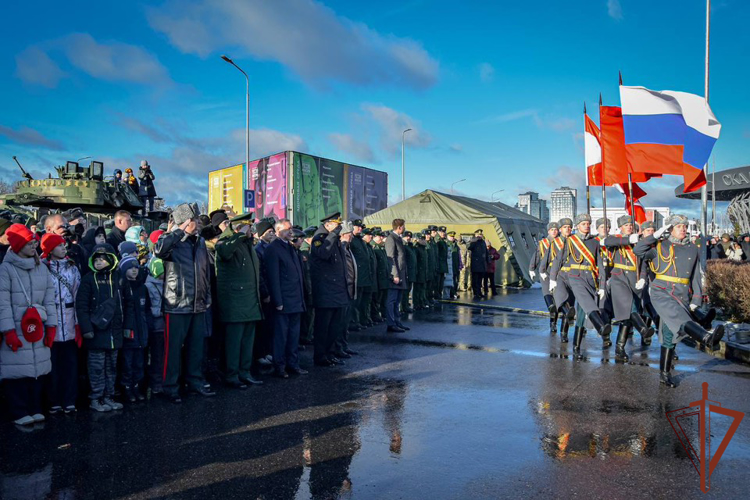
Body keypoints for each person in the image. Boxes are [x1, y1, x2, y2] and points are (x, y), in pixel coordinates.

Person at [634, 214, 725, 388]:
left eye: (684, 226)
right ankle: (705, 337)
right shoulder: (659, 246)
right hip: (662, 292)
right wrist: (654, 235)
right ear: (670, 229)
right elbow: (638, 250)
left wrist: (696, 298)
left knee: (669, 334)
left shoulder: (692, 248)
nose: (683, 229)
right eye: (678, 226)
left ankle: (664, 374)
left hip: (682, 294)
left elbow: (695, 275)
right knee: (679, 318)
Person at [154, 203, 214, 403]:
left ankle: (194, 382)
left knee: (196, 348)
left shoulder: (200, 242)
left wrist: (207, 296)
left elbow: (205, 272)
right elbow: (159, 250)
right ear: (185, 222)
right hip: (177, 304)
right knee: (172, 350)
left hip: (198, 304)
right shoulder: (172, 242)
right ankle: (170, 387)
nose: (197, 223)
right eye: (194, 220)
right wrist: (178, 230)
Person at [0, 225, 57, 426]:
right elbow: (3, 303)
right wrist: (8, 331)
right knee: (16, 369)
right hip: (17, 325)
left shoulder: (41, 267)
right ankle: (18, 410)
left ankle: (34, 407)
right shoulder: (6, 269)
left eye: (34, 242)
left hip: (37, 325)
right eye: (30, 243)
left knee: (38, 367)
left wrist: (52, 326)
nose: (35, 246)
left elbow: (50, 299)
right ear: (18, 245)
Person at [550, 214, 610, 360]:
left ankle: (576, 347)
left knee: (582, 315)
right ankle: (600, 326)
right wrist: (553, 278)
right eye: (583, 223)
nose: (587, 226)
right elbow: (559, 260)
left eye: (588, 223)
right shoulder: (570, 241)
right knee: (585, 301)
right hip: (575, 277)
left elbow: (600, 265)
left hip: (590, 278)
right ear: (577, 226)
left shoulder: (594, 242)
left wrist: (602, 285)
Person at [215, 213, 264, 388]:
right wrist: (238, 235)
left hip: (250, 301)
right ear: (239, 228)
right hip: (234, 302)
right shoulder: (226, 241)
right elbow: (224, 253)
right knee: (234, 343)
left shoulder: (247, 244)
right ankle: (231, 375)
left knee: (247, 342)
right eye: (248, 227)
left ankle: (244, 372)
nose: (251, 230)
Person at [76, 243, 125, 412]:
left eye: (103, 259)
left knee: (111, 367)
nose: (99, 262)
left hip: (115, 332)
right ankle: (95, 398)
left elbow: (126, 304)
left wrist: (126, 327)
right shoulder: (88, 279)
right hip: (96, 333)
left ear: (111, 259)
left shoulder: (118, 277)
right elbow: (81, 306)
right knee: (96, 368)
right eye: (96, 259)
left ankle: (109, 396)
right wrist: (86, 328)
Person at [601, 215, 655, 361]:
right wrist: (629, 239)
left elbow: (643, 262)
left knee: (626, 318)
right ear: (621, 227)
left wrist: (643, 277)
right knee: (630, 308)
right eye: (626, 225)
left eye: (631, 225)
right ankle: (643, 329)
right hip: (619, 278)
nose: (629, 227)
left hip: (634, 279)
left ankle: (619, 348)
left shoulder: (639, 242)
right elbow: (607, 241)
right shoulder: (616, 239)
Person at [41, 233, 82, 414]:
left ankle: (69, 399)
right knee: (53, 365)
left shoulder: (72, 268)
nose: (63, 248)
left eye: (64, 245)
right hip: (51, 322)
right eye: (58, 245)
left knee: (70, 365)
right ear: (49, 249)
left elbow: (77, 295)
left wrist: (79, 324)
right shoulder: (42, 268)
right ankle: (54, 400)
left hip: (69, 320)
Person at [265, 219, 308, 377]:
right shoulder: (273, 249)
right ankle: (280, 367)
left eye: (291, 229)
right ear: (277, 231)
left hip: (296, 300)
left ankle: (293, 364)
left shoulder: (291, 248)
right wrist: (278, 301)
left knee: (293, 336)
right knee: (281, 337)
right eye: (287, 229)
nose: (291, 232)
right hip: (283, 301)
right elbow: (273, 277)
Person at [310, 213, 351, 367]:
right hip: (326, 293)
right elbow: (323, 253)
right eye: (336, 224)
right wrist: (333, 235)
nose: (339, 227)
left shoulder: (334, 239)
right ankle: (320, 356)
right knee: (323, 328)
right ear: (328, 225)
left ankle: (330, 353)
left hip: (337, 291)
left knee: (335, 327)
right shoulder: (319, 239)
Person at [120, 257, 149, 403]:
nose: (134, 270)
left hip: (141, 330)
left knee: (139, 363)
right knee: (127, 362)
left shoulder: (142, 287)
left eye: (136, 268)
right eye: (130, 268)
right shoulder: (122, 287)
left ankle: (137, 387)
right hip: (128, 330)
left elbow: (147, 310)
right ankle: (127, 388)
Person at [542, 219, 573, 342]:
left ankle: (564, 331)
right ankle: (559, 329)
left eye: (569, 227)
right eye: (565, 227)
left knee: (569, 306)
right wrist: (542, 271)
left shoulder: (576, 242)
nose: (567, 229)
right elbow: (546, 259)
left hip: (573, 277)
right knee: (560, 303)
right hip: (558, 275)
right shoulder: (554, 243)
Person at [530, 222, 560, 335]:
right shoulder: (543, 243)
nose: (554, 231)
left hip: (558, 272)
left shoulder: (561, 242)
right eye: (552, 229)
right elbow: (537, 256)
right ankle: (552, 322)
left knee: (557, 299)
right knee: (547, 294)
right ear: (548, 231)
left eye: (556, 229)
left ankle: (554, 321)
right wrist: (531, 268)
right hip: (546, 271)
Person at [336, 222, 359, 357]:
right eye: (350, 234)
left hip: (350, 290)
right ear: (344, 234)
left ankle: (344, 345)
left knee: (345, 322)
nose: (352, 236)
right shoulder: (342, 248)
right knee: (341, 323)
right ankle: (339, 347)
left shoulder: (347, 248)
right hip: (345, 290)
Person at [145, 258, 166, 395]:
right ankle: (156, 383)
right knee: (157, 356)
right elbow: (149, 308)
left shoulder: (166, 283)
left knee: (164, 355)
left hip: (165, 325)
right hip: (156, 325)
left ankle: (164, 381)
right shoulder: (149, 286)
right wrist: (161, 311)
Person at [385, 219, 409, 333]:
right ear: (399, 227)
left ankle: (397, 322)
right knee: (392, 300)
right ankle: (391, 323)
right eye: (403, 226)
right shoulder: (391, 238)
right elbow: (391, 258)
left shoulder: (398, 238)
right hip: (395, 275)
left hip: (401, 274)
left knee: (397, 300)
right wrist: (394, 274)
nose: (404, 228)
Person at [349, 220, 372, 330]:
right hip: (356, 277)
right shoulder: (351, 240)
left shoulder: (360, 241)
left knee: (362, 301)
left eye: (361, 227)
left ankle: (361, 320)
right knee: (355, 302)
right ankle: (353, 322)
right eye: (357, 227)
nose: (360, 229)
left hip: (364, 276)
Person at [299, 226, 317, 344]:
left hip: (311, 286)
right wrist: (310, 290)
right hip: (308, 288)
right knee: (308, 315)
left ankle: (309, 334)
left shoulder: (309, 249)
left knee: (311, 315)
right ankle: (306, 336)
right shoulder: (304, 251)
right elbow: (307, 273)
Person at [371, 229, 389, 322]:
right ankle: (375, 315)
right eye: (379, 236)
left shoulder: (381, 247)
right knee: (376, 299)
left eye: (382, 236)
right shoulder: (373, 247)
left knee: (382, 297)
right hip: (377, 277)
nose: (381, 238)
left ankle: (382, 313)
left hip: (383, 277)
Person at [468, 229, 488, 299]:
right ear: (475, 235)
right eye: (478, 235)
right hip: (476, 264)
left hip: (482, 264)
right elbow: (469, 247)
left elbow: (486, 252)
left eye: (480, 235)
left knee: (480, 280)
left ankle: (479, 292)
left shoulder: (483, 242)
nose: (480, 236)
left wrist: (487, 261)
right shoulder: (474, 242)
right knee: (475, 279)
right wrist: (473, 241)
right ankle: (475, 292)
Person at [401, 231, 417, 312]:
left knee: (408, 289)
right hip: (406, 271)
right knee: (405, 290)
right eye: (406, 236)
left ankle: (406, 304)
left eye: (409, 237)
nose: (408, 238)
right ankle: (404, 306)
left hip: (411, 271)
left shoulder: (409, 246)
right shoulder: (403, 246)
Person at [433, 226, 449, 301]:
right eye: (442, 232)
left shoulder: (443, 241)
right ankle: (437, 295)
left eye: (444, 232)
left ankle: (439, 294)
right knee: (437, 282)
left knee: (441, 282)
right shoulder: (437, 240)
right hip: (438, 264)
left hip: (442, 265)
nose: (444, 233)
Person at [446, 231, 461, 299]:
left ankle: (454, 292)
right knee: (450, 280)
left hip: (455, 265)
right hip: (450, 266)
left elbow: (458, 256)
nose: (452, 238)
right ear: (447, 237)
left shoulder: (455, 245)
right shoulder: (447, 244)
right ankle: (451, 293)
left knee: (455, 281)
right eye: (451, 236)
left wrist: (459, 265)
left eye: (453, 236)